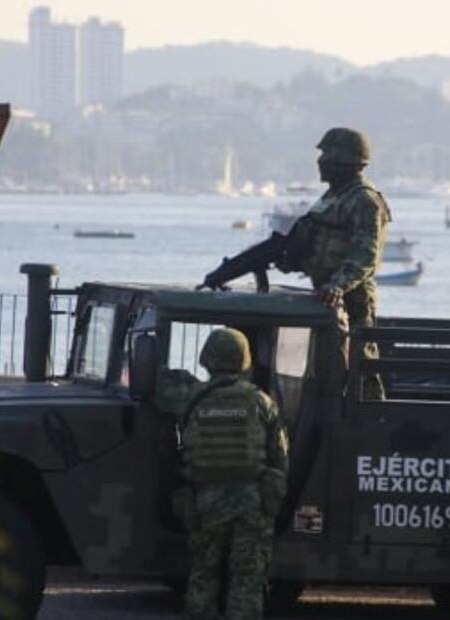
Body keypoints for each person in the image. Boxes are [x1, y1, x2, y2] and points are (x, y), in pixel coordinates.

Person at [156, 328, 289, 620]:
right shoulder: (262, 401)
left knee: (204, 574)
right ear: (244, 359)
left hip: (205, 501)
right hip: (252, 503)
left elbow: (157, 382)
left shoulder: (189, 396)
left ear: (207, 357)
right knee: (247, 578)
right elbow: (279, 457)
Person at [280, 127, 391, 400]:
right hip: (326, 298)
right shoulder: (333, 197)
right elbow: (321, 241)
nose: (321, 161)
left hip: (353, 300)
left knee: (360, 366)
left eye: (327, 154)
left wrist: (338, 285)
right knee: (329, 367)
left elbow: (365, 255)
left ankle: (371, 414)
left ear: (345, 159)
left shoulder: (363, 200)